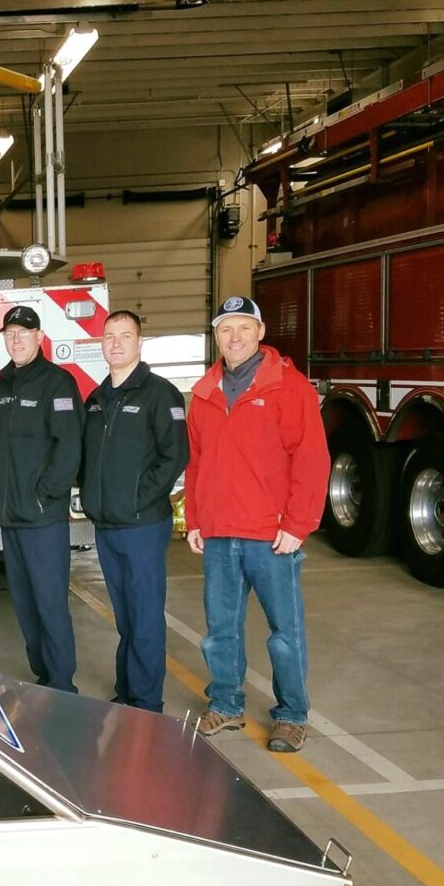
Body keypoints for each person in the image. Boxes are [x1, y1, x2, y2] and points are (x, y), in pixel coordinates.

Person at [185, 296, 329, 753]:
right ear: (217, 337)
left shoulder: (290, 387)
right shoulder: (205, 393)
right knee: (219, 630)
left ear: (261, 333)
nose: (235, 337)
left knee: (285, 633)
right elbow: (196, 463)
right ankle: (226, 704)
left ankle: (291, 716)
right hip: (221, 531)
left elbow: (311, 458)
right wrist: (195, 518)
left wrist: (298, 523)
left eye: (244, 328)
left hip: (271, 536)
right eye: (227, 329)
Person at [80, 310, 188, 713]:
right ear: (102, 344)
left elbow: (175, 455)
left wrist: (138, 497)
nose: (117, 343)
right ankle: (127, 691)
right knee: (125, 616)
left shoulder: (161, 394)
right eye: (110, 337)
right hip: (107, 526)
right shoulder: (97, 399)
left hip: (143, 524)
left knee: (144, 617)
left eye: (125, 336)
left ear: (139, 343)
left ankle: (145, 703)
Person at [0, 304, 84, 692]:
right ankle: (42, 673)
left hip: (42, 518)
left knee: (50, 603)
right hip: (11, 516)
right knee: (26, 604)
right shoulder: (3, 385)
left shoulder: (57, 383)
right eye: (10, 334)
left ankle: (62, 682)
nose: (17, 339)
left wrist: (46, 496)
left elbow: (68, 447)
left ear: (40, 337)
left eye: (24, 333)